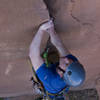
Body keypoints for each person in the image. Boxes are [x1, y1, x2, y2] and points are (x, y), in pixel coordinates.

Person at [29, 20, 85, 99]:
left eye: (66, 64)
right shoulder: (73, 62)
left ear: (61, 73)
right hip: (62, 86)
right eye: (69, 62)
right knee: (55, 56)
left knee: (34, 65)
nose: (67, 59)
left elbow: (32, 54)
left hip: (52, 89)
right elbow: (59, 44)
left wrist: (41, 30)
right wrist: (51, 29)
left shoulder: (50, 79)